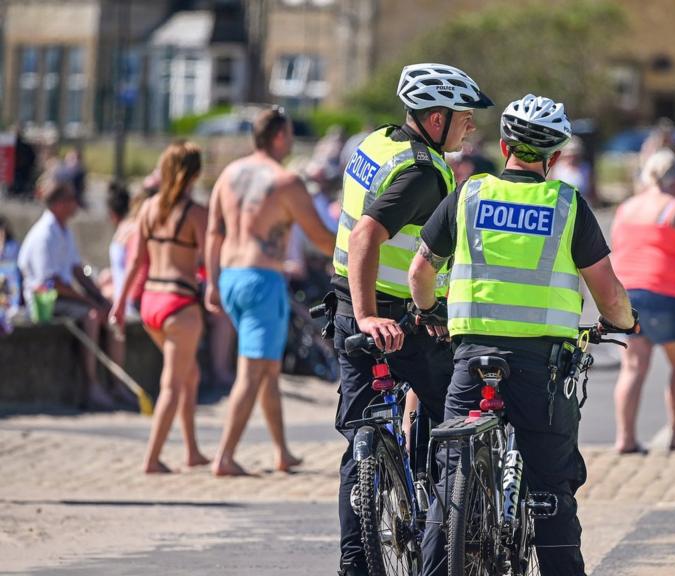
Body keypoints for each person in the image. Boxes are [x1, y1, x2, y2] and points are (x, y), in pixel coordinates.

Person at [411, 94, 638, 576]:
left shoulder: (469, 194)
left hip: (471, 357)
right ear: (554, 157)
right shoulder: (565, 204)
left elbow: (419, 274)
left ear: (504, 145)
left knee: (450, 483)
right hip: (541, 367)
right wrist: (622, 322)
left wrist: (432, 312)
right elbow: (609, 293)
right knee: (550, 493)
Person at [330, 62, 492, 576]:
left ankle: (353, 566)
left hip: (345, 302)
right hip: (393, 314)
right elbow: (366, 236)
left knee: (360, 438)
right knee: (456, 419)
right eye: (465, 117)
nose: (471, 127)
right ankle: (441, 552)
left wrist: (356, 314)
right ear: (437, 118)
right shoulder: (423, 172)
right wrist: (370, 315)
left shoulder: (377, 142)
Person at [205, 107, 336, 477]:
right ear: (279, 136)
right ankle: (225, 456)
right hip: (262, 279)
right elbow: (319, 236)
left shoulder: (229, 174)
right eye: (290, 134)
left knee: (268, 368)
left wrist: (213, 283)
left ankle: (282, 452)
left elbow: (214, 232)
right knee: (252, 370)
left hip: (231, 275)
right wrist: (353, 255)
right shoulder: (285, 181)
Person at [110, 142, 210, 473]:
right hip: (180, 304)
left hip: (151, 302)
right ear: (195, 173)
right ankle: (152, 459)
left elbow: (135, 261)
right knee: (172, 384)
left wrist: (120, 303)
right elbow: (210, 263)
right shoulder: (196, 214)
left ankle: (192, 450)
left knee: (190, 375)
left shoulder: (149, 208)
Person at [610, 150, 675, 454]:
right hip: (667, 294)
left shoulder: (626, 208)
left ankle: (625, 438)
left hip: (629, 295)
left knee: (633, 367)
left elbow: (616, 251)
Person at [17, 171, 118, 409]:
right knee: (92, 316)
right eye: (71, 199)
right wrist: (91, 303)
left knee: (108, 311)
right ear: (60, 203)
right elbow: (50, 283)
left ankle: (114, 384)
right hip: (44, 300)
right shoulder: (45, 235)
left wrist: (100, 298)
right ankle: (91, 386)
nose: (75, 204)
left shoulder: (63, 230)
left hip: (61, 295)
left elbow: (76, 270)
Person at [100, 182, 132, 303]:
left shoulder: (125, 232)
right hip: (123, 296)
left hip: (125, 300)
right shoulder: (131, 228)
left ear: (111, 213)